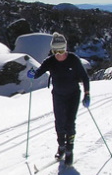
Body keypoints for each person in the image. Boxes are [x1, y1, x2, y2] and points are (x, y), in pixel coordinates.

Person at [27, 32, 90, 165]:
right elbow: (39, 72)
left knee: (70, 123)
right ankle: (61, 147)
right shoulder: (50, 61)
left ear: (65, 48)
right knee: (59, 123)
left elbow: (84, 77)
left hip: (73, 95)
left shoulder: (73, 59)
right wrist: (33, 74)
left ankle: (69, 151)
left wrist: (87, 94)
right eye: (56, 51)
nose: (59, 54)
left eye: (61, 50)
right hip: (58, 95)